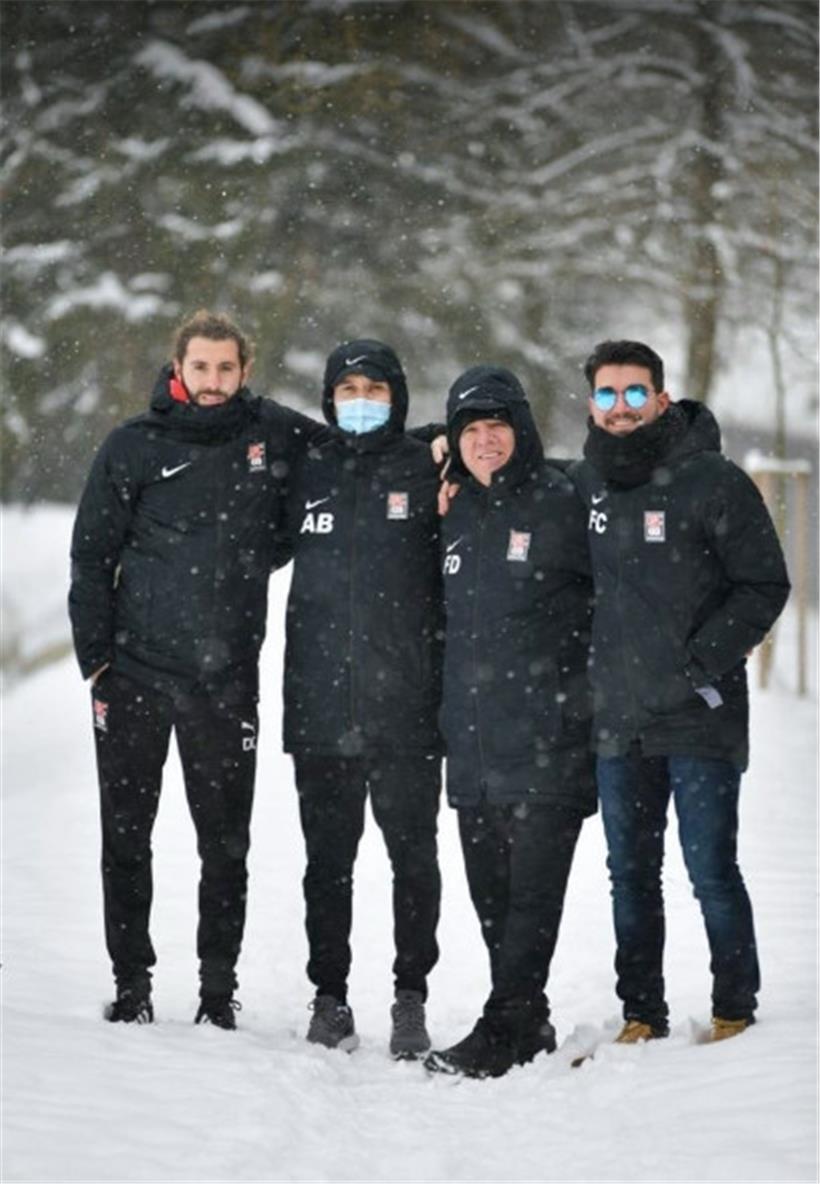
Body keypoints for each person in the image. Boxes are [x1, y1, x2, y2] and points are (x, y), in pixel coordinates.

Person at [69, 310, 325, 1029]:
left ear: (246, 370)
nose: (212, 383)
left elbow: (351, 450)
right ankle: (133, 984)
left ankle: (218, 993)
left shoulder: (271, 432)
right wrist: (97, 663)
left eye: (225, 369)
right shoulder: (132, 445)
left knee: (225, 843)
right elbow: (90, 556)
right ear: (177, 368)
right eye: (200, 368)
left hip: (226, 681)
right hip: (136, 676)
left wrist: (437, 456)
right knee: (126, 836)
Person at [572, 339, 790, 1045]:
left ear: (662, 399)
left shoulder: (714, 481)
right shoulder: (584, 486)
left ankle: (734, 1009)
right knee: (629, 876)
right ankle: (642, 1012)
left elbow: (764, 584)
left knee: (709, 869)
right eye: (608, 393)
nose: (622, 406)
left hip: (700, 717)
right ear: (592, 403)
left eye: (636, 392)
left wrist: (700, 664)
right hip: (619, 720)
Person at [424, 365, 596, 1079]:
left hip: (552, 736)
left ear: (521, 429)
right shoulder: (454, 508)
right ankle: (527, 1021)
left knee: (531, 898)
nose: (485, 440)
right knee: (492, 899)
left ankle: (503, 1027)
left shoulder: (567, 496)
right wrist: (426, 444)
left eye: (497, 426)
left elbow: (649, 464)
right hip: (472, 743)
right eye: (469, 430)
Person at [275, 339, 444, 1058]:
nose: (362, 400)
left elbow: (522, 476)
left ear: (398, 395)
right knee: (327, 864)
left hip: (408, 706)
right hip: (319, 706)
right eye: (348, 389)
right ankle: (330, 997)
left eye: (376, 388)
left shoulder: (428, 464)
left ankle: (411, 999)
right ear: (328, 398)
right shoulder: (303, 468)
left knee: (414, 860)